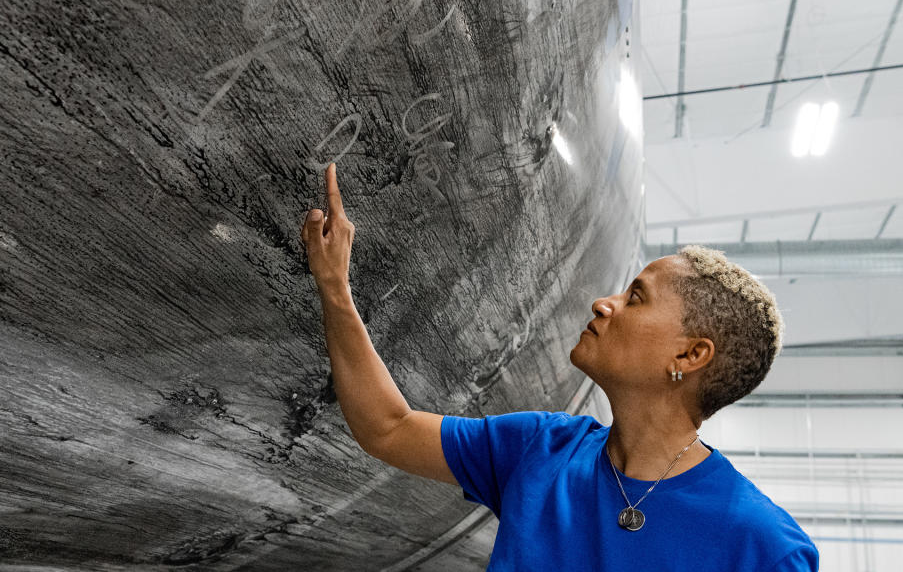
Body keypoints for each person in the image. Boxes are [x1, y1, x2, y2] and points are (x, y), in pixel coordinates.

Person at [301, 162, 819, 570]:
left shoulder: (763, 548)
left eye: (636, 298)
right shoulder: (541, 448)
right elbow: (388, 429)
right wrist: (335, 289)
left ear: (688, 355)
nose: (604, 302)